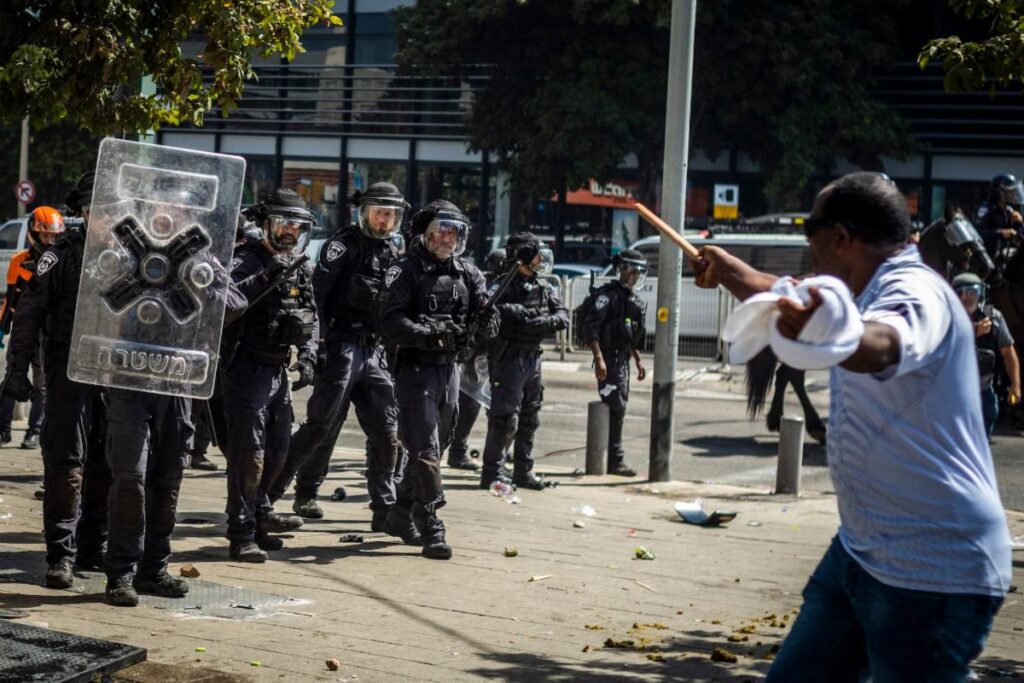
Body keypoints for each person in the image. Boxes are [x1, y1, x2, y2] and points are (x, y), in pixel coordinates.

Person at [695, 172, 1011, 680]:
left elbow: (884, 342)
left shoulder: (915, 290)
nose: (808, 251)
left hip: (931, 570)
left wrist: (835, 329)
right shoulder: (857, 290)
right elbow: (782, 295)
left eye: (809, 233)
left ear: (841, 238)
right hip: (860, 554)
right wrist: (728, 269)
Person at [269, 182, 408, 541]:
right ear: (363, 212)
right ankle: (272, 497)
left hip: (374, 350)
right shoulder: (341, 246)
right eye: (379, 211)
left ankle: (384, 509)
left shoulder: (395, 249)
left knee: (387, 431)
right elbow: (317, 301)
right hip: (341, 345)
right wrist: (317, 349)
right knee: (320, 425)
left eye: (390, 213)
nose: (384, 219)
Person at [1, 175, 110, 589]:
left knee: (109, 462)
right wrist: (16, 371)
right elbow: (28, 314)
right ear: (81, 213)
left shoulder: (130, 256)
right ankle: (60, 554)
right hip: (67, 369)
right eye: (92, 209)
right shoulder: (59, 255)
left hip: (113, 373)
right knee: (66, 465)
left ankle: (93, 547)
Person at [378, 199, 497, 559]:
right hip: (415, 371)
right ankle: (431, 525)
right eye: (439, 231)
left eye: (453, 232)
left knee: (437, 447)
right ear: (426, 233)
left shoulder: (468, 273)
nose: (446, 238)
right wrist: (428, 334)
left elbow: (486, 312)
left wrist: (488, 326)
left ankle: (399, 514)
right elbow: (388, 320)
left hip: (451, 371)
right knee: (425, 448)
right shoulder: (405, 270)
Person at [221, 189, 318, 562]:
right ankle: (241, 533)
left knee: (279, 451)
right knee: (250, 456)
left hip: (278, 369)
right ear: (266, 224)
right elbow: (226, 305)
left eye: (297, 225)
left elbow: (311, 313)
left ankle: (261, 520)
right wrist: (265, 277)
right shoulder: (245, 259)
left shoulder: (298, 264)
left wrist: (309, 354)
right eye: (283, 223)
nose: (290, 231)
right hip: (245, 368)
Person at [478, 232, 568, 490]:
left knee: (530, 417)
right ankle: (492, 472)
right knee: (505, 419)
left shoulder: (542, 286)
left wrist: (546, 321)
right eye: (537, 253)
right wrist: (511, 311)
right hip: (509, 358)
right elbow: (484, 306)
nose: (541, 259)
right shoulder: (503, 284)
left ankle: (523, 471)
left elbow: (562, 315)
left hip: (533, 359)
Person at [579, 249, 648, 476]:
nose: (636, 277)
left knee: (620, 407)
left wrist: (638, 361)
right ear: (623, 270)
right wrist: (598, 358)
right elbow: (592, 328)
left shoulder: (630, 299)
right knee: (615, 406)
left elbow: (629, 335)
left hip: (623, 361)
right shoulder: (608, 296)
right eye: (634, 272)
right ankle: (614, 461)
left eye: (640, 273)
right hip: (609, 360)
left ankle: (614, 460)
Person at [0, 206, 62, 448]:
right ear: (33, 234)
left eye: (53, 236)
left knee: (42, 384)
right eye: (45, 235)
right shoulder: (19, 262)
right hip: (22, 330)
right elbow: (11, 300)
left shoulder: (59, 261)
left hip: (46, 333)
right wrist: (3, 328)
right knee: (12, 378)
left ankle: (34, 431)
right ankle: (3, 428)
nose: (49, 240)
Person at [447, 248, 507, 471]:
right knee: (470, 405)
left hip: (494, 355)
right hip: (478, 355)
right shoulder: (488, 286)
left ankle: (497, 453)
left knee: (497, 409)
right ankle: (457, 451)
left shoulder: (499, 284)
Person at [953, 272, 1022, 438]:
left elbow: (1008, 351)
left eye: (973, 292)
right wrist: (973, 330)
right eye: (963, 292)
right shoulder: (947, 316)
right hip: (953, 391)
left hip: (984, 388)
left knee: (989, 416)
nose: (968, 297)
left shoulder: (993, 317)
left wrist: (1016, 385)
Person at [974, 174, 1024, 261]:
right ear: (999, 193)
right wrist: (1000, 233)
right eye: (1010, 191)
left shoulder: (1009, 211)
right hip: (984, 258)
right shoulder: (986, 209)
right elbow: (977, 232)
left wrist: (1020, 222)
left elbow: (1019, 236)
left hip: (1002, 258)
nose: (1013, 194)